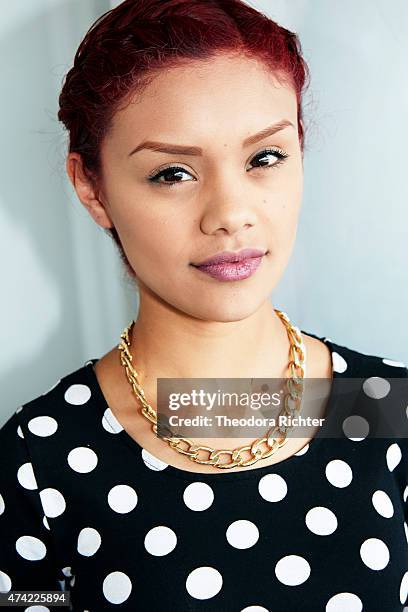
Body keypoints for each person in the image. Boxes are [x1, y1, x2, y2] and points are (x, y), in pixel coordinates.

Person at [0, 0, 407, 610]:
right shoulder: (38, 462)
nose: (229, 215)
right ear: (92, 186)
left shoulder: (390, 414)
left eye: (264, 158)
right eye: (172, 173)